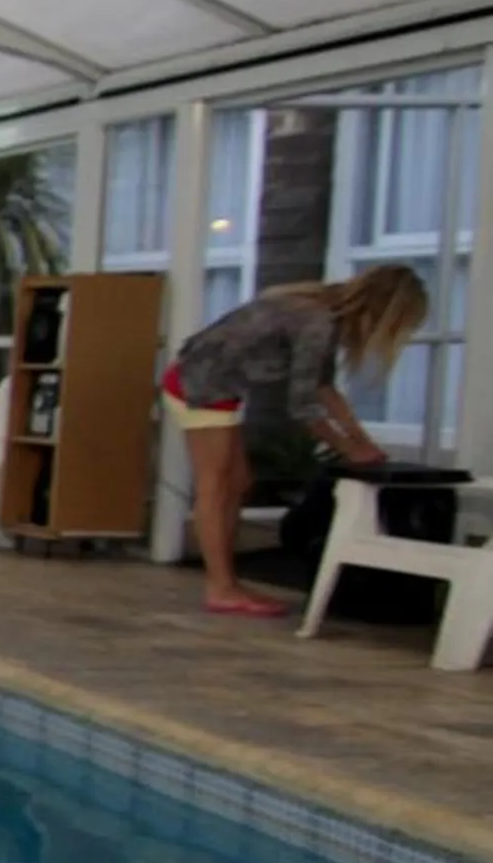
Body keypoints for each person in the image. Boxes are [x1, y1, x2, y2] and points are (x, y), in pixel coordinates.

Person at [163, 264, 426, 617]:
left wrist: (362, 440)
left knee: (238, 482)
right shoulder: (316, 320)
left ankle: (226, 582)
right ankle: (221, 587)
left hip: (209, 383)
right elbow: (303, 407)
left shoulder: (321, 309)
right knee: (216, 485)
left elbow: (324, 387)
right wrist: (350, 448)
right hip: (200, 386)